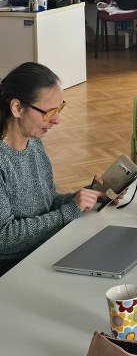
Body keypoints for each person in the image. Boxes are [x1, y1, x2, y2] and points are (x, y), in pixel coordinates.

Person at [0, 62, 103, 275]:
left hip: (44, 250)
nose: (57, 120)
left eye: (59, 109)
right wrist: (69, 211)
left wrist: (88, 195)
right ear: (17, 108)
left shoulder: (34, 143)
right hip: (14, 271)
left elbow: (47, 204)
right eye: (49, 112)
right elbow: (4, 238)